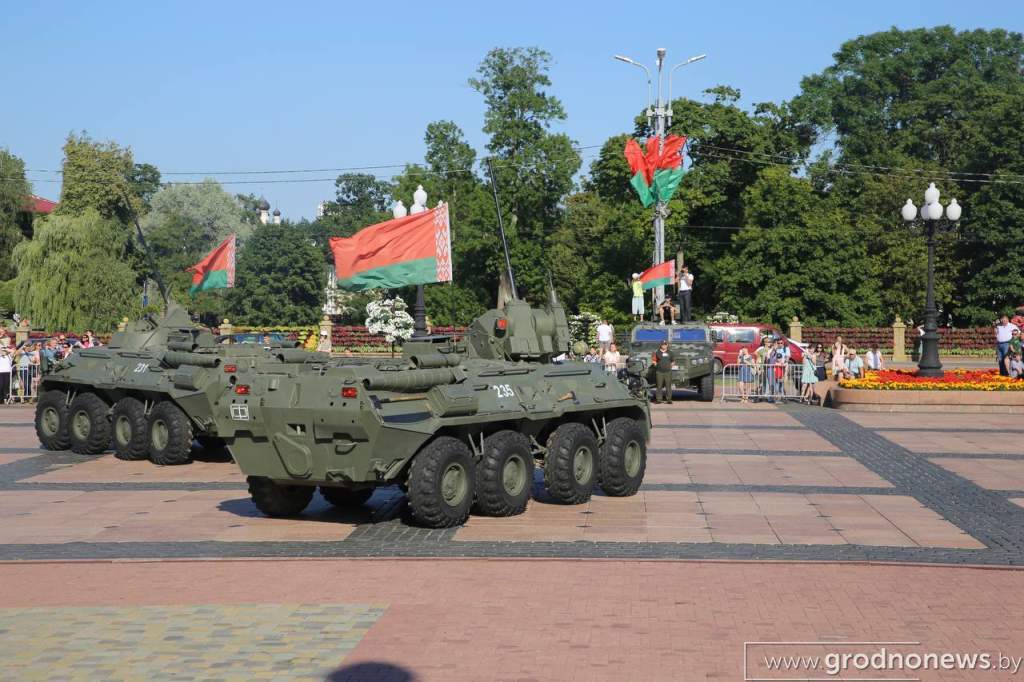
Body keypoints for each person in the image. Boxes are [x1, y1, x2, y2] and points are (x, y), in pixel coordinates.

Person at [0, 339, 12, 403]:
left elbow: (13, 351)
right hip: (0, 372)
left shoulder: (9, 355)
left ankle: (5, 398)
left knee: (6, 386)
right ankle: (1, 398)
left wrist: (5, 349)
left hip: (7, 372)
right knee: (1, 385)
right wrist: (2, 349)